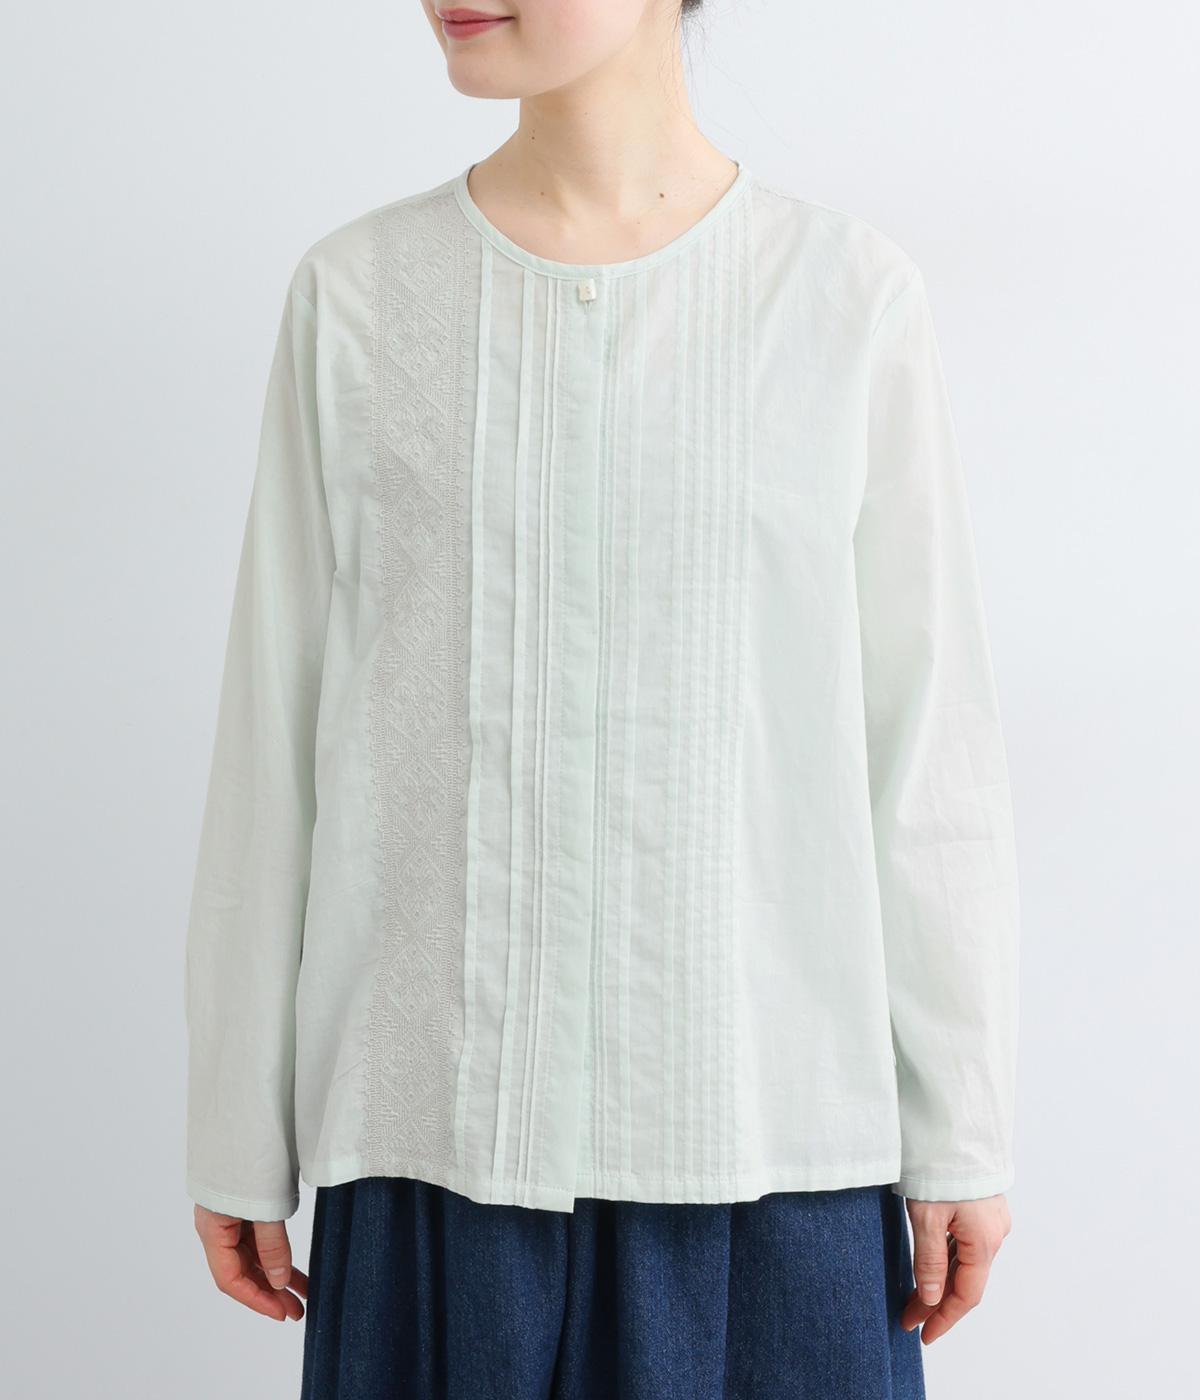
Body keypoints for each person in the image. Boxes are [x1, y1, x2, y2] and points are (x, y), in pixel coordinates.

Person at [184, 1, 1020, 1395]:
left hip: (777, 1159)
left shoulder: (842, 298)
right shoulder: (361, 296)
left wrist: (964, 1127)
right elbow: (275, 735)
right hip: (431, 1157)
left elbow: (925, 746)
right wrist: (235, 1124)